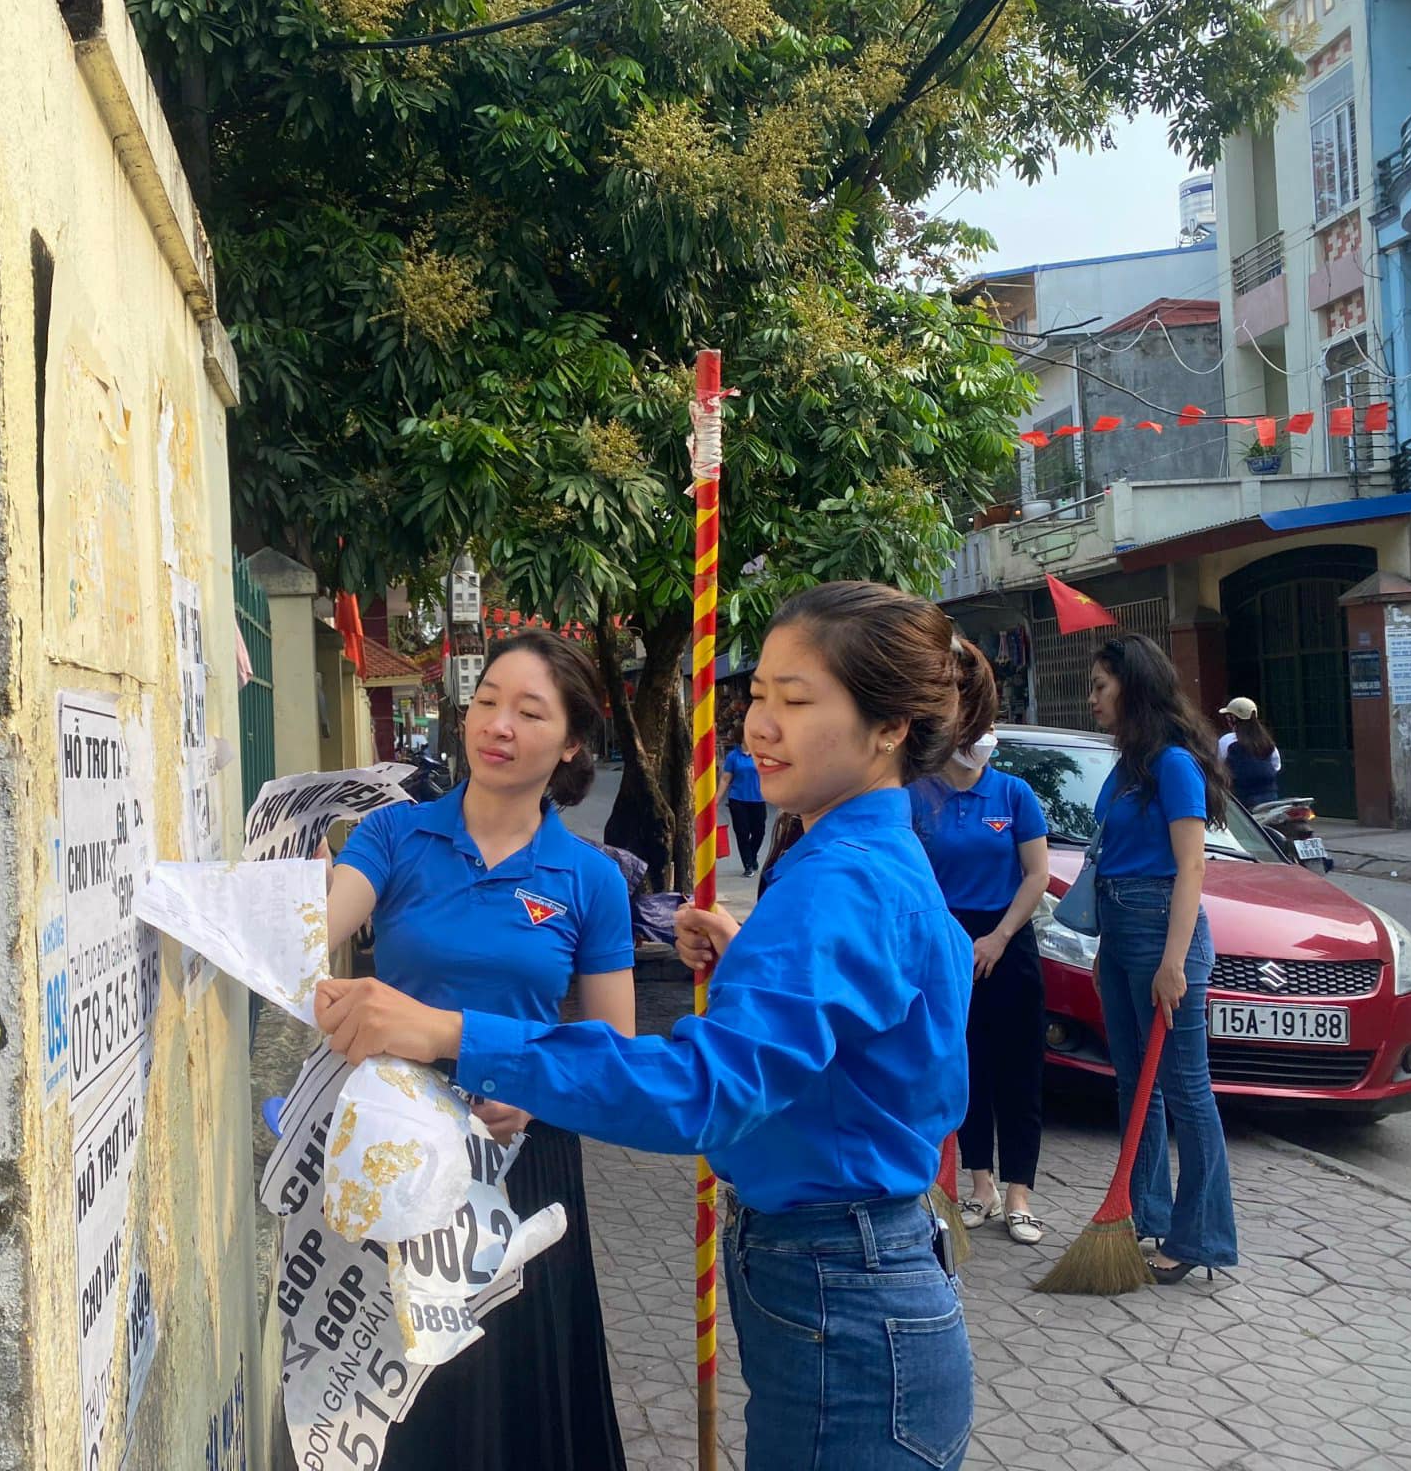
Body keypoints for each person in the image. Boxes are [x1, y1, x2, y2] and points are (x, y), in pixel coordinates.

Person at [316, 581, 976, 1470]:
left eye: (795, 701)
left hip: (842, 1299)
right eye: (756, 697)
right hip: (840, 1281)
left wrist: (452, 1035)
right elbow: (881, 1040)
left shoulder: (839, 881)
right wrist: (754, 968)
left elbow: (698, 1091)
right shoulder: (858, 861)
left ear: (889, 726)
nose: (759, 727)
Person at [319, 627, 635, 1471]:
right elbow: (321, 924)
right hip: (394, 1146)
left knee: (515, 1382)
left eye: (530, 712)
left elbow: (613, 1048)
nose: (498, 725)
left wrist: (535, 1092)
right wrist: (295, 895)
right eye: (487, 701)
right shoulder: (394, 837)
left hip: (520, 1154)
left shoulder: (590, 878)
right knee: (402, 1389)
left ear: (571, 743)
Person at [1089, 636, 1239, 1283]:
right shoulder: (1129, 767)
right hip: (1121, 934)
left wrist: (1174, 962)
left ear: (1133, 687)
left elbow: (1192, 866)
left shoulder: (1175, 765)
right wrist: (1107, 949)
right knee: (1135, 1085)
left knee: (1185, 1090)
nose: (1092, 699)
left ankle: (1198, 1237)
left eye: (1101, 686)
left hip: (1162, 935)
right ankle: (1142, 1213)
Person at [908, 642, 1052, 1245]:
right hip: (948, 945)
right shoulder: (919, 795)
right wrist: (951, 938)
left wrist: (998, 937)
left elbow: (1037, 876)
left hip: (1007, 940)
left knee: (1018, 1067)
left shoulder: (1014, 795)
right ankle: (981, 1185)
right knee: (964, 1064)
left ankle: (1020, 1193)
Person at [1216, 697, 1280, 809]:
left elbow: (1217, 765)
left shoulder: (1227, 741)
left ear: (1233, 718)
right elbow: (1276, 766)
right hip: (1271, 797)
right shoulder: (1266, 740)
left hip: (1241, 801)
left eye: (1228, 716)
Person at [722, 729, 767, 876]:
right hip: (738, 799)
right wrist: (716, 799)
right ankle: (747, 864)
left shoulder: (760, 754)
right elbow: (725, 779)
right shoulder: (733, 757)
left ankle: (752, 856)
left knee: (759, 832)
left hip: (758, 798)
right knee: (742, 833)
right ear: (741, 737)